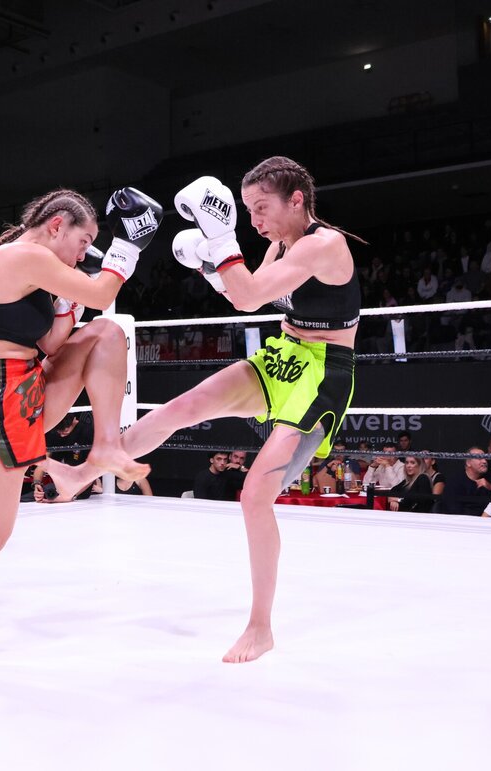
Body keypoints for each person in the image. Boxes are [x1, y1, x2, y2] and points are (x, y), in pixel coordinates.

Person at [78, 156, 362, 663]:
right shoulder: (281, 245)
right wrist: (211, 267)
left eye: (261, 207)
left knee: (255, 497)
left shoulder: (325, 245)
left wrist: (220, 241)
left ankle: (261, 627)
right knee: (182, 406)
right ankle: (81, 477)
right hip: (283, 355)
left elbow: (249, 297)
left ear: (296, 199)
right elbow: (244, 298)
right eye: (247, 209)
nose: (255, 220)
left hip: (323, 374)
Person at [0, 186, 163, 670]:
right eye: (83, 243)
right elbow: (104, 292)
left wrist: (68, 301)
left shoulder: (39, 271)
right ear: (57, 226)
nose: (83, 255)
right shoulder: (21, 256)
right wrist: (128, 245)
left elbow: (53, 342)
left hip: (24, 384)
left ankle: (104, 446)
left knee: (107, 333)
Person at [436, 447, 491, 515]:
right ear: (468, 463)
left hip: (487, 519)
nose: (484, 461)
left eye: (485, 458)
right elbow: (453, 510)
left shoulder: (489, 478)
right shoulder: (455, 482)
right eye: (479, 458)